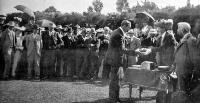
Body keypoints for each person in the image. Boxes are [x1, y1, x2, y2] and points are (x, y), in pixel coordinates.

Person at [105, 20, 143, 102]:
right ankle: (113, 99)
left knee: (117, 80)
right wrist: (134, 52)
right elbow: (121, 49)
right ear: (125, 26)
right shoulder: (118, 34)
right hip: (115, 60)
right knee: (114, 81)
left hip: (116, 60)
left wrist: (126, 40)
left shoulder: (118, 32)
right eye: (129, 27)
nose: (130, 29)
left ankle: (116, 98)